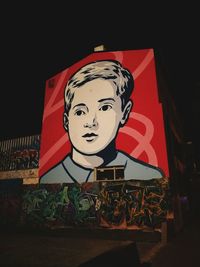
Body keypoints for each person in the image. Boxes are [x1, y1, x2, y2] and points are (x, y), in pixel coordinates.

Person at [40, 60, 165, 184]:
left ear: (125, 113)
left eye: (104, 107)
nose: (91, 122)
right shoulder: (49, 180)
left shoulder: (148, 176)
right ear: (66, 121)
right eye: (80, 112)